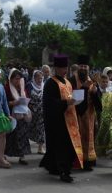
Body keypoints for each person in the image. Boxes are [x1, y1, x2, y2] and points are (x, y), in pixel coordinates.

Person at [39, 55, 83, 183]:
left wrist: (75, 101)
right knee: (61, 147)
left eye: (66, 67)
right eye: (62, 67)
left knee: (66, 147)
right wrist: (66, 103)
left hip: (70, 120)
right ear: (56, 68)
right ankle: (64, 172)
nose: (65, 70)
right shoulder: (50, 83)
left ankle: (54, 167)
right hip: (58, 121)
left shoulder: (67, 82)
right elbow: (50, 103)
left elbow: (70, 98)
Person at [69, 58, 97, 171]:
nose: (83, 68)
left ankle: (88, 161)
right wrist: (85, 88)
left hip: (90, 115)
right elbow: (74, 99)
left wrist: (95, 93)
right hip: (76, 114)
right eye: (81, 66)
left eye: (85, 66)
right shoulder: (72, 80)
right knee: (78, 137)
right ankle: (77, 161)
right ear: (78, 67)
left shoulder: (92, 80)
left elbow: (98, 102)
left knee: (89, 138)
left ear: (88, 68)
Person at [4, 68, 32, 165]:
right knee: (10, 135)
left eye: (19, 78)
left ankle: (22, 156)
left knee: (23, 136)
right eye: (16, 79)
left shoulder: (22, 87)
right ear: (11, 79)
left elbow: (26, 97)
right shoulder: (7, 88)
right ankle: (4, 155)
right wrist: (14, 103)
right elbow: (4, 103)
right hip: (11, 114)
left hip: (22, 115)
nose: (18, 81)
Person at [93, 71, 112, 158]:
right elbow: (94, 107)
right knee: (101, 137)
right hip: (99, 118)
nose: (104, 83)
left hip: (108, 120)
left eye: (106, 82)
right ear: (99, 82)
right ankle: (100, 152)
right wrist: (95, 120)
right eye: (103, 82)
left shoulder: (109, 93)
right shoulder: (96, 92)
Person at [27, 69, 46, 154]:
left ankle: (40, 148)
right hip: (31, 112)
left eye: (41, 78)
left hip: (41, 112)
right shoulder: (29, 85)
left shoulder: (44, 85)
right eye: (38, 78)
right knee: (29, 129)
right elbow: (26, 97)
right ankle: (26, 147)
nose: (40, 80)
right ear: (34, 78)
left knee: (41, 130)